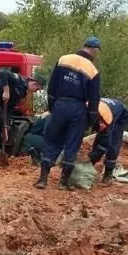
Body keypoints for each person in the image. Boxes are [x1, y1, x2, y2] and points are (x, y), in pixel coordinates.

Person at [35, 37, 102, 190]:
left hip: (60, 104)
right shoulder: (92, 70)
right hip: (78, 108)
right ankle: (63, 182)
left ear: (83, 46)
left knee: (52, 139)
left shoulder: (64, 59)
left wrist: (52, 106)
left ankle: (43, 179)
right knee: (73, 142)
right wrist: (91, 120)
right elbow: (94, 98)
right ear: (95, 50)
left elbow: (52, 85)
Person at [0, 69, 46, 167]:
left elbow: (9, 109)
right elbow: (3, 72)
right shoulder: (19, 80)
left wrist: (5, 127)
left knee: (0, 134)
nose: (36, 92)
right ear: (34, 84)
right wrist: (6, 90)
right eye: (37, 89)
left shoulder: (23, 93)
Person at [88, 97, 128, 186]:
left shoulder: (105, 118)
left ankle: (108, 176)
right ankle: (89, 168)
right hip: (107, 109)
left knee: (113, 143)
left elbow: (104, 144)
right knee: (99, 137)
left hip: (121, 115)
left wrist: (91, 157)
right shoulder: (82, 108)